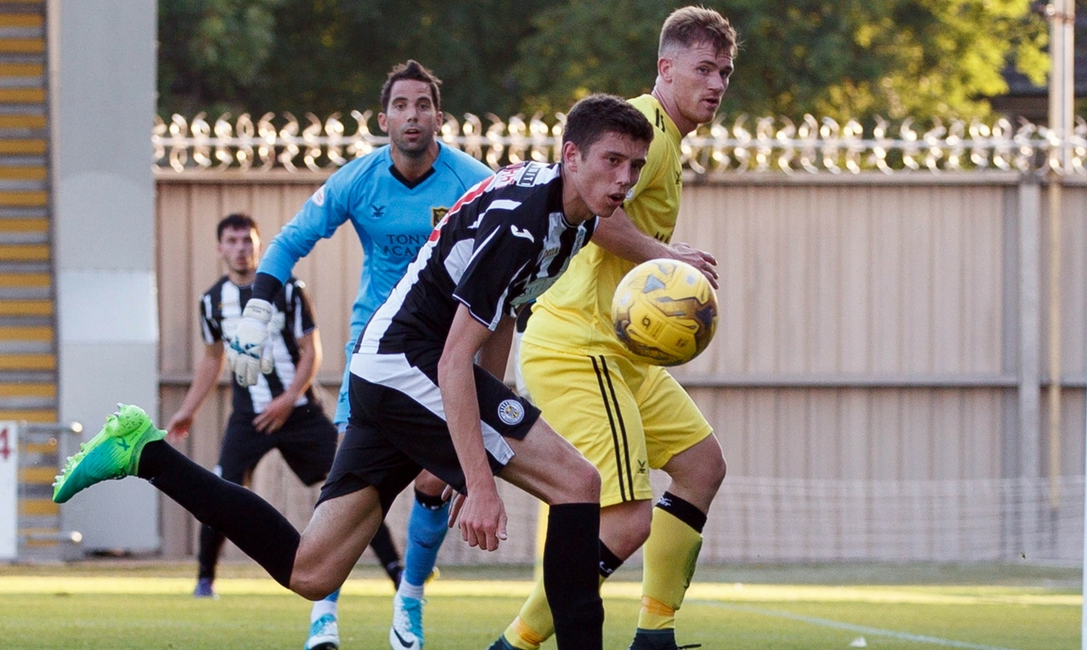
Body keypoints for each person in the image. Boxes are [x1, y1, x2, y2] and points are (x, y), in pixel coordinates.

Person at [51, 92, 655, 650]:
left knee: (311, 571)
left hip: (387, 373)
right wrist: (479, 479)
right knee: (579, 483)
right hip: (407, 367)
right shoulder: (524, 224)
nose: (624, 179)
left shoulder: (571, 217)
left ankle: (144, 454)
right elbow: (451, 360)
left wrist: (467, 445)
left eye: (635, 165)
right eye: (613, 161)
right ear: (571, 156)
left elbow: (494, 325)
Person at [489, 8, 736, 650]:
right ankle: (516, 643)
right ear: (666, 68)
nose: (715, 83)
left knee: (702, 465)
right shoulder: (642, 128)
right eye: (703, 68)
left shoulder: (667, 141)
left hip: (623, 354)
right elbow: (587, 211)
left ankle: (655, 634)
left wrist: (664, 253)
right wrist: (670, 256)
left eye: (725, 73)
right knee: (624, 523)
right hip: (580, 346)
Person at [241, 60, 494, 650]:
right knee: (350, 481)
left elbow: (508, 253)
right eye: (401, 106)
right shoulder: (358, 179)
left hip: (446, 351)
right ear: (383, 119)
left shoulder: (474, 182)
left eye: (422, 105)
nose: (412, 116)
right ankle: (323, 613)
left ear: (439, 116)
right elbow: (287, 243)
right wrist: (256, 313)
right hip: (375, 351)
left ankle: (409, 600)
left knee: (434, 480)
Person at [165, 213, 362, 600]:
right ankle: (205, 579)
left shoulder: (287, 289)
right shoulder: (212, 301)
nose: (241, 249)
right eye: (232, 241)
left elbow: (312, 351)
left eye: (247, 241)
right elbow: (212, 359)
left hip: (300, 410)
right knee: (221, 486)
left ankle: (396, 573)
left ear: (259, 244)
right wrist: (189, 408)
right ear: (220, 248)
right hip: (249, 415)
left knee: (350, 478)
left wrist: (288, 398)